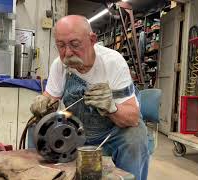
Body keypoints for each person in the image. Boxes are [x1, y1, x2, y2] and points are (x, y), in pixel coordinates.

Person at [30, 15, 149, 180]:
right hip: (77, 131)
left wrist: (111, 108)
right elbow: (50, 96)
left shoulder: (113, 62)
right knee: (36, 128)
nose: (67, 52)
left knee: (135, 136)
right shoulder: (60, 65)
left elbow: (133, 117)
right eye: (61, 45)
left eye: (75, 44)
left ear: (92, 39)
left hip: (111, 133)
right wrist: (43, 102)